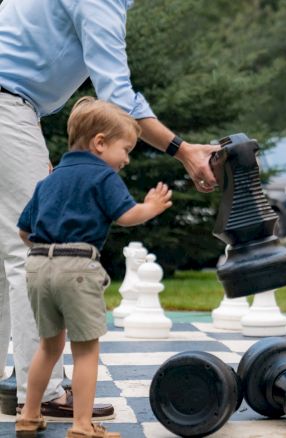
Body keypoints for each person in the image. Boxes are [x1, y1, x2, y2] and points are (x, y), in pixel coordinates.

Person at [0, 0, 220, 421]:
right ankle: (41, 393)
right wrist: (184, 151)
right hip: (9, 108)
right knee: (30, 252)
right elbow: (117, 98)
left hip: (13, 108)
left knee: (1, 254)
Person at [15, 97, 173, 438]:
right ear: (99, 143)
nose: (127, 159)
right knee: (85, 350)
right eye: (125, 149)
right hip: (77, 266)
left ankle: (28, 415)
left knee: (48, 346)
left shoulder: (50, 179)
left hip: (38, 265)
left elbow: (23, 230)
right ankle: (83, 424)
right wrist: (151, 207)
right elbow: (126, 216)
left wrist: (48, 252)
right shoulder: (103, 176)